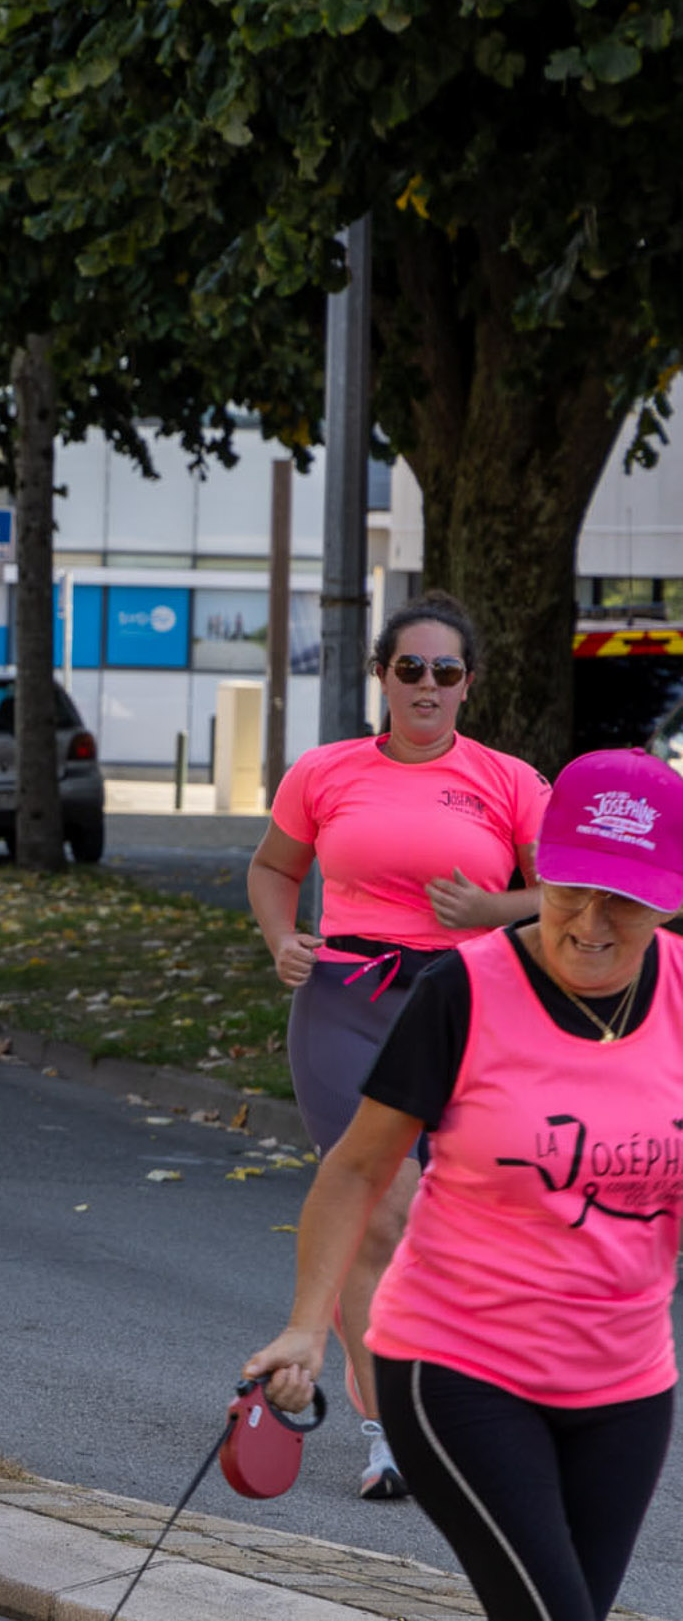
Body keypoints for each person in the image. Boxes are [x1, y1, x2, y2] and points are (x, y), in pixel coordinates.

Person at [243, 747, 683, 1621]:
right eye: (570, 888)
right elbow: (359, 1168)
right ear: (538, 874)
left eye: (624, 898)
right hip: (459, 1365)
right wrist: (305, 1327)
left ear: (668, 899)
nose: (591, 921)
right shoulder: (464, 991)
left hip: (625, 1384)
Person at [247, 591, 545, 1498]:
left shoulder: (510, 780)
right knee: (381, 1208)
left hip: (466, 1005)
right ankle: (390, 1435)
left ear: (468, 686)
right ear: (380, 675)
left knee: (456, 1220)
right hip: (345, 1001)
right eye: (408, 667)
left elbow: (571, 895)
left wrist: (495, 910)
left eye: (444, 671)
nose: (425, 685)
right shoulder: (326, 770)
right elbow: (272, 867)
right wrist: (282, 939)